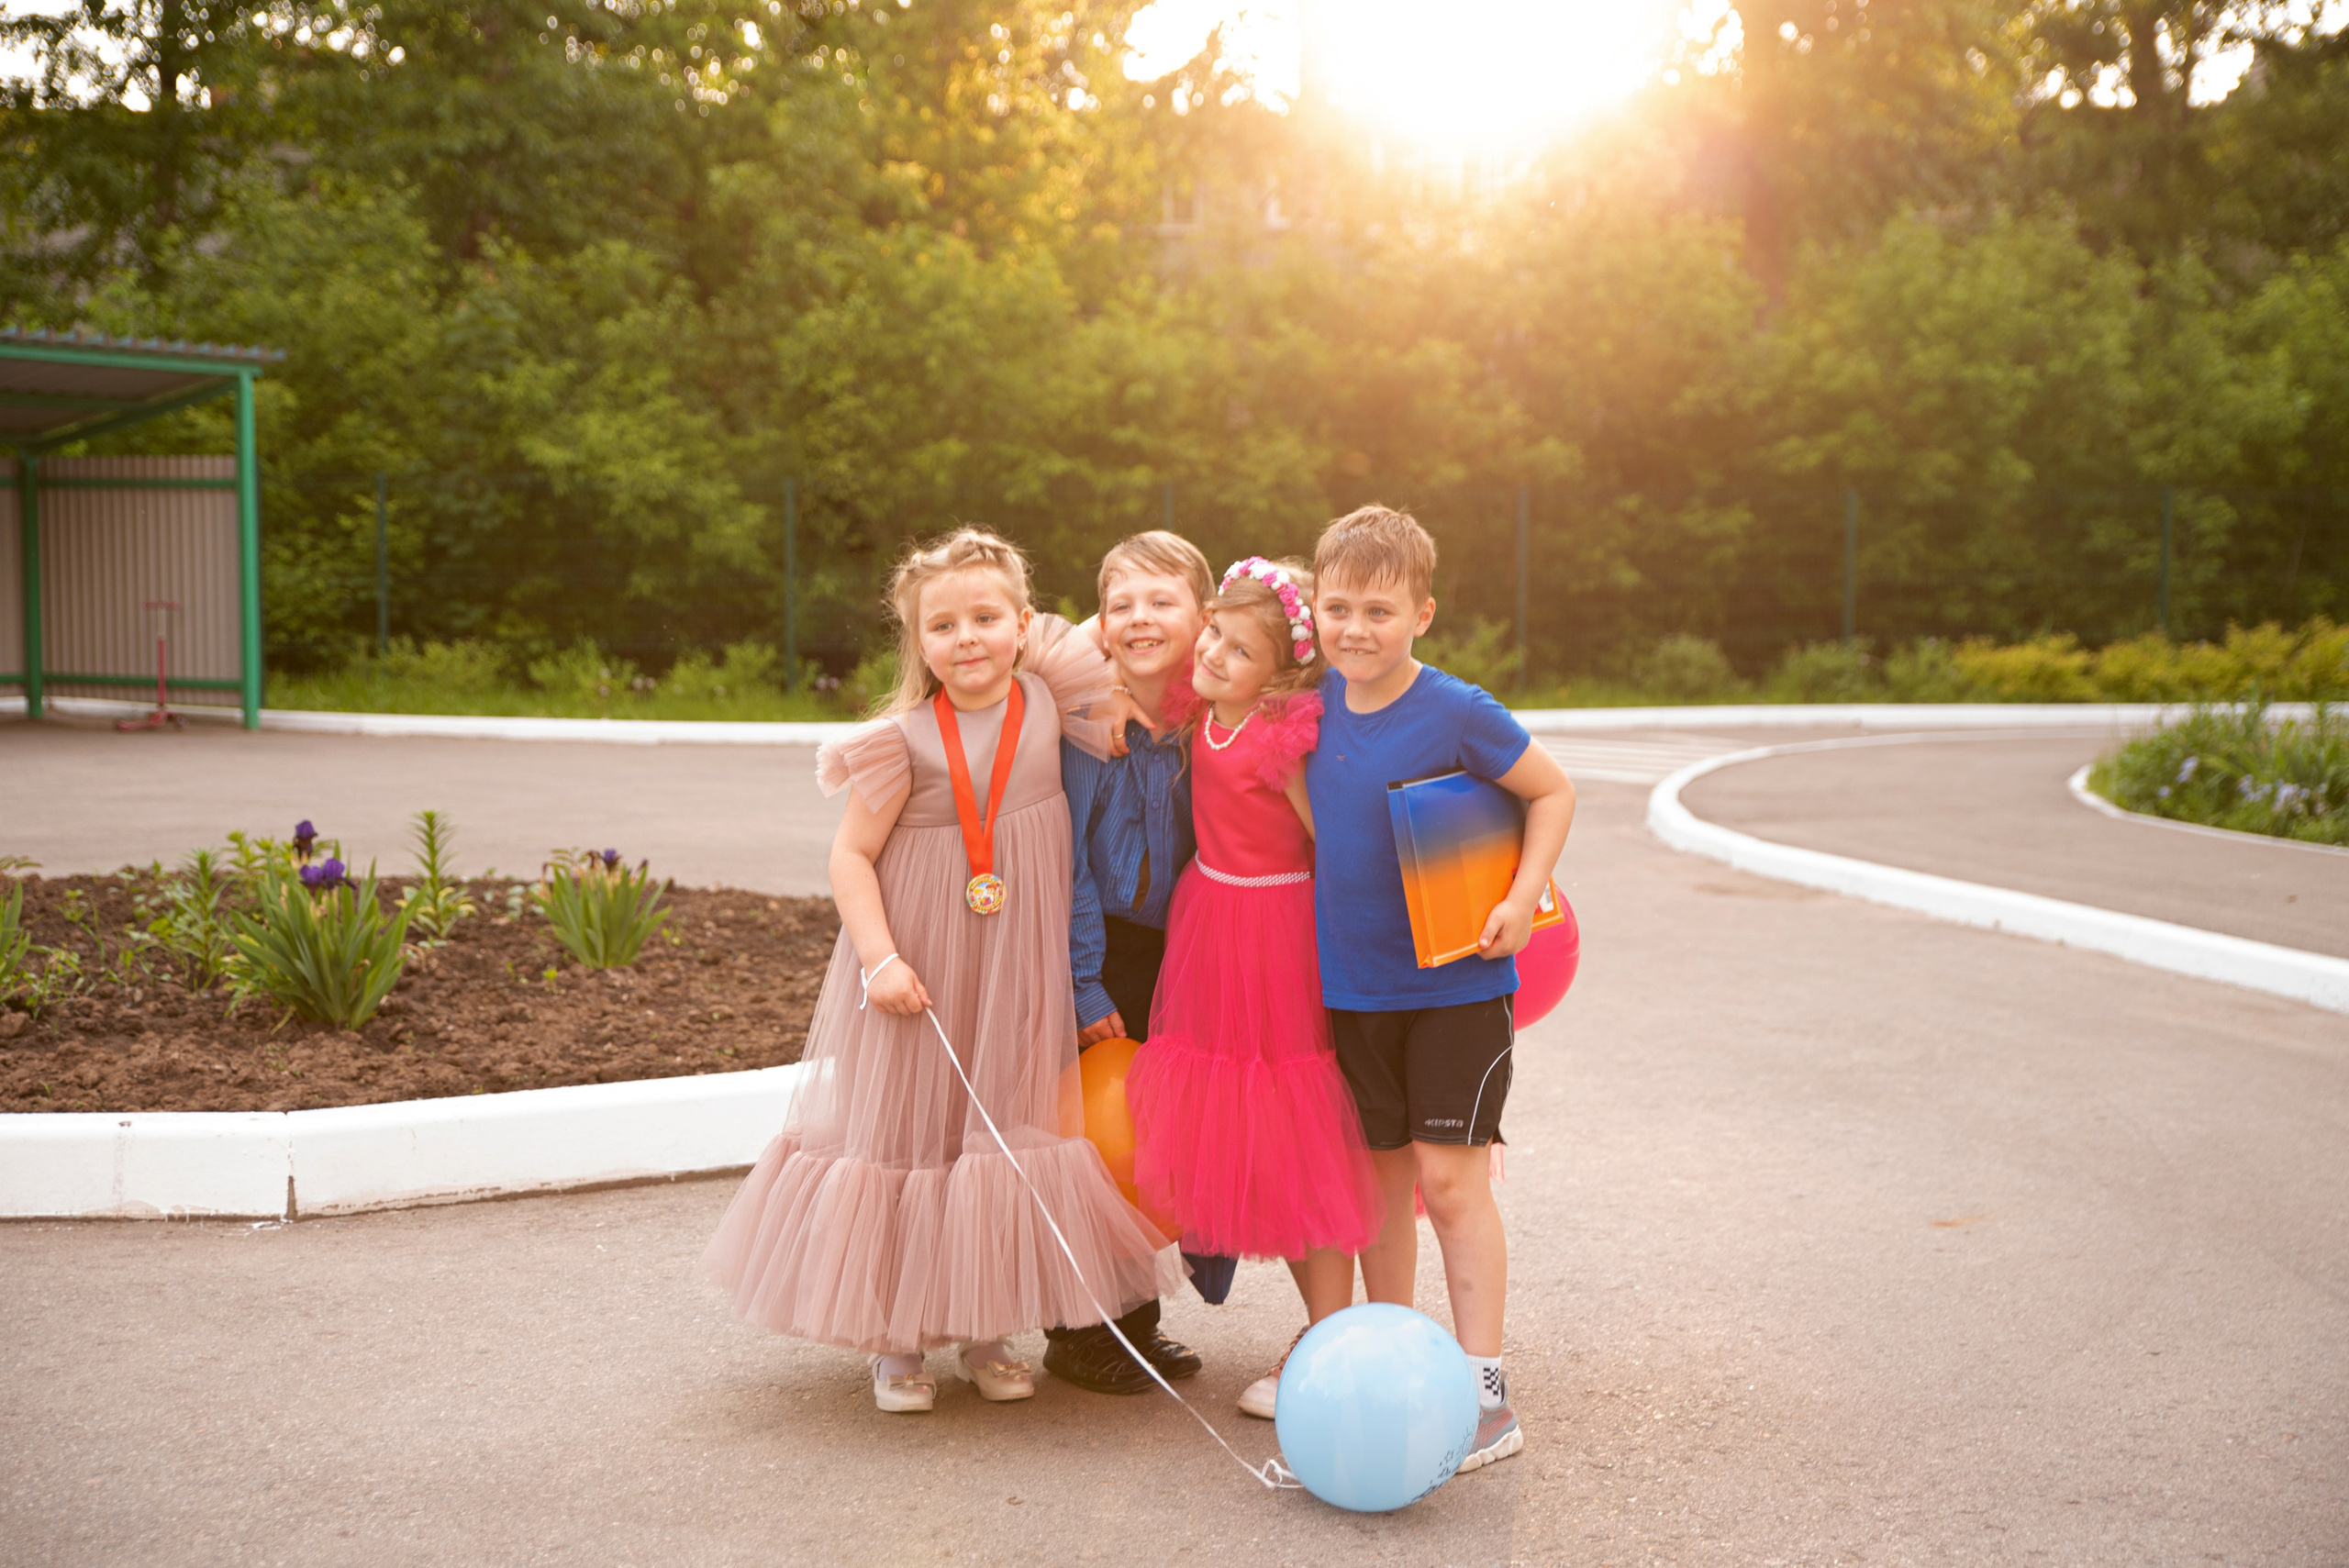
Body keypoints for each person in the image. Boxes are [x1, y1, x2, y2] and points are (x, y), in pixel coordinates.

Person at [701, 527, 1174, 1414]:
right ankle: (896, 1340)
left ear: (1021, 622)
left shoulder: (1047, 697)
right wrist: (880, 959)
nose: (968, 638)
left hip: (1014, 968)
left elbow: (1097, 648)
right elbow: (849, 859)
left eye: (987, 617)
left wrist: (1110, 699)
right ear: (918, 642)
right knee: (911, 1139)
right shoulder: (901, 741)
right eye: (944, 625)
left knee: (995, 1138)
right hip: (921, 968)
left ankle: (985, 1330)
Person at [1303, 506, 1576, 1473]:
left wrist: (1522, 891)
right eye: (1338, 608)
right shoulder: (1308, 704)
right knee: (1377, 1189)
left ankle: (1482, 1390)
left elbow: (1552, 790)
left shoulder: (1459, 708)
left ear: (1422, 611)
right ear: (1315, 609)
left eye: (1379, 610)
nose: (1355, 630)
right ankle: (1393, 1373)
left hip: (1460, 984)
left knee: (1451, 1182)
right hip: (1352, 989)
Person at [1128, 556, 1383, 1422]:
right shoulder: (1196, 710)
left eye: (1242, 650)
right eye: (1216, 634)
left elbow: (1332, 840)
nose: (1216, 655)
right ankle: (1319, 1328)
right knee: (1239, 1121)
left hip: (1277, 936)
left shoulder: (1282, 736)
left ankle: (1329, 1335)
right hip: (1211, 924)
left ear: (1282, 674)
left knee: (1301, 1126)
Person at [1046, 528, 1218, 1396]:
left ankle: (1139, 1313)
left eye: (1164, 601)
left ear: (1204, 615)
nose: (1142, 619)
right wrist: (1082, 980)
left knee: (1153, 1127)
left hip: (1183, 945)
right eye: (1123, 605)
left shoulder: (1221, 705)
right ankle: (1090, 1332)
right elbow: (1071, 858)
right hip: (1094, 940)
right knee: (1088, 1130)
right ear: (1100, 621)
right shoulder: (1081, 713)